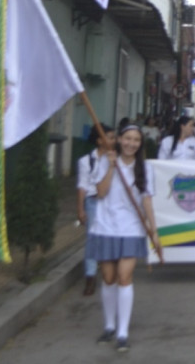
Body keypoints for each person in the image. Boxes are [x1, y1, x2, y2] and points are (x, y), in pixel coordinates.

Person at [91, 123, 159, 352]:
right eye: (127, 138)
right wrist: (111, 166)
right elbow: (100, 192)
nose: (131, 143)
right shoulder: (105, 161)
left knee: (124, 277)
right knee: (108, 277)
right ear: (119, 140)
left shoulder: (146, 168)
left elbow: (147, 200)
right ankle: (109, 326)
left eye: (136, 140)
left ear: (141, 144)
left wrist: (154, 231)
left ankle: (122, 332)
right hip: (105, 226)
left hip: (131, 228)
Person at [77, 124, 116, 296]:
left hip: (111, 203)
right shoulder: (86, 161)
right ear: (99, 140)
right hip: (93, 202)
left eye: (114, 137)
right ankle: (90, 277)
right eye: (109, 137)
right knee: (93, 240)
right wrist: (80, 209)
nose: (113, 140)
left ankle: (112, 272)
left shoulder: (116, 159)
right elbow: (82, 186)